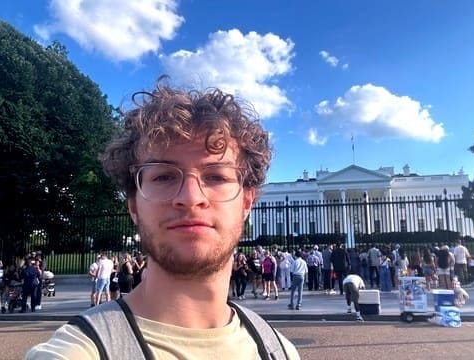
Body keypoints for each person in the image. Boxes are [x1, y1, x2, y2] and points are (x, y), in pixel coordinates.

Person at [27, 80, 298, 358]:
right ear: (133, 205)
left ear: (247, 202)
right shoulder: (76, 352)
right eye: (164, 176)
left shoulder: (282, 351)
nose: (191, 197)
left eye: (216, 176)